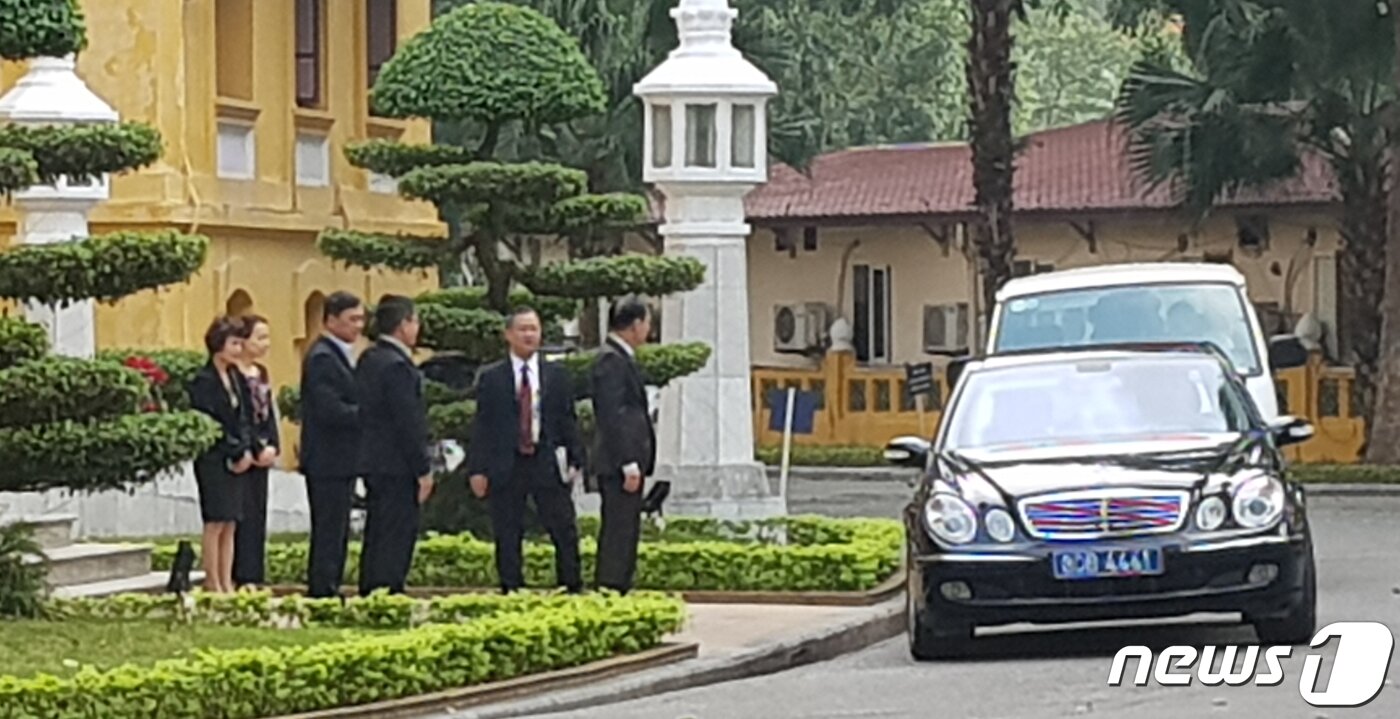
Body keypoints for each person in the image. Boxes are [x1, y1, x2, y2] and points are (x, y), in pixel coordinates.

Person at [468, 307, 585, 594]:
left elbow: (568, 419)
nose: (529, 334)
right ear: (508, 334)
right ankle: (511, 588)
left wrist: (577, 458)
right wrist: (478, 469)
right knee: (507, 530)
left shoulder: (556, 375)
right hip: (506, 462)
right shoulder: (491, 377)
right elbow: (482, 426)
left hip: (545, 458)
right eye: (522, 329)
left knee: (563, 527)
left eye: (534, 328)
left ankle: (571, 586)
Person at [355, 295, 433, 596]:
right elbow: (408, 422)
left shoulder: (369, 358)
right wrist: (422, 468)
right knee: (397, 530)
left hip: (372, 459)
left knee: (377, 528)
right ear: (403, 325)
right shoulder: (398, 366)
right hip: (397, 463)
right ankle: (388, 589)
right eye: (414, 322)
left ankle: (370, 587)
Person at [299, 292, 366, 598]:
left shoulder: (341, 354)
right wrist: (368, 414)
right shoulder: (323, 357)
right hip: (328, 458)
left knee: (338, 527)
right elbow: (329, 409)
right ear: (330, 320)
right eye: (352, 319)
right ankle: (322, 588)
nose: (358, 326)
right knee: (328, 527)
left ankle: (331, 583)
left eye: (361, 319)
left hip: (342, 458)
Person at [590, 297, 657, 594]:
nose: (648, 330)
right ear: (636, 324)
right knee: (618, 530)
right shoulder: (611, 359)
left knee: (627, 528)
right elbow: (611, 414)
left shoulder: (622, 357)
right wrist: (627, 460)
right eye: (647, 322)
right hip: (619, 463)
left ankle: (620, 586)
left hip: (627, 462)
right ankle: (611, 588)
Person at [188, 315, 256, 594]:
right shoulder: (203, 381)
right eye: (234, 343)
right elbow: (209, 421)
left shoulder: (237, 378)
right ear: (218, 345)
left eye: (241, 343)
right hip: (213, 458)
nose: (238, 349)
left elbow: (244, 417)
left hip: (238, 457)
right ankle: (211, 580)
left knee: (231, 521)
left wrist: (247, 449)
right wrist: (233, 449)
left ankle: (227, 580)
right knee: (215, 519)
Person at [232, 315, 280, 589]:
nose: (265, 344)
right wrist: (252, 448)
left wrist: (273, 444)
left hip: (263, 452)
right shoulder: (234, 375)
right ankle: (239, 572)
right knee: (241, 512)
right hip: (246, 453)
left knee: (258, 513)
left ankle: (254, 571)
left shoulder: (260, 372)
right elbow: (243, 417)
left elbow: (267, 414)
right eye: (259, 337)